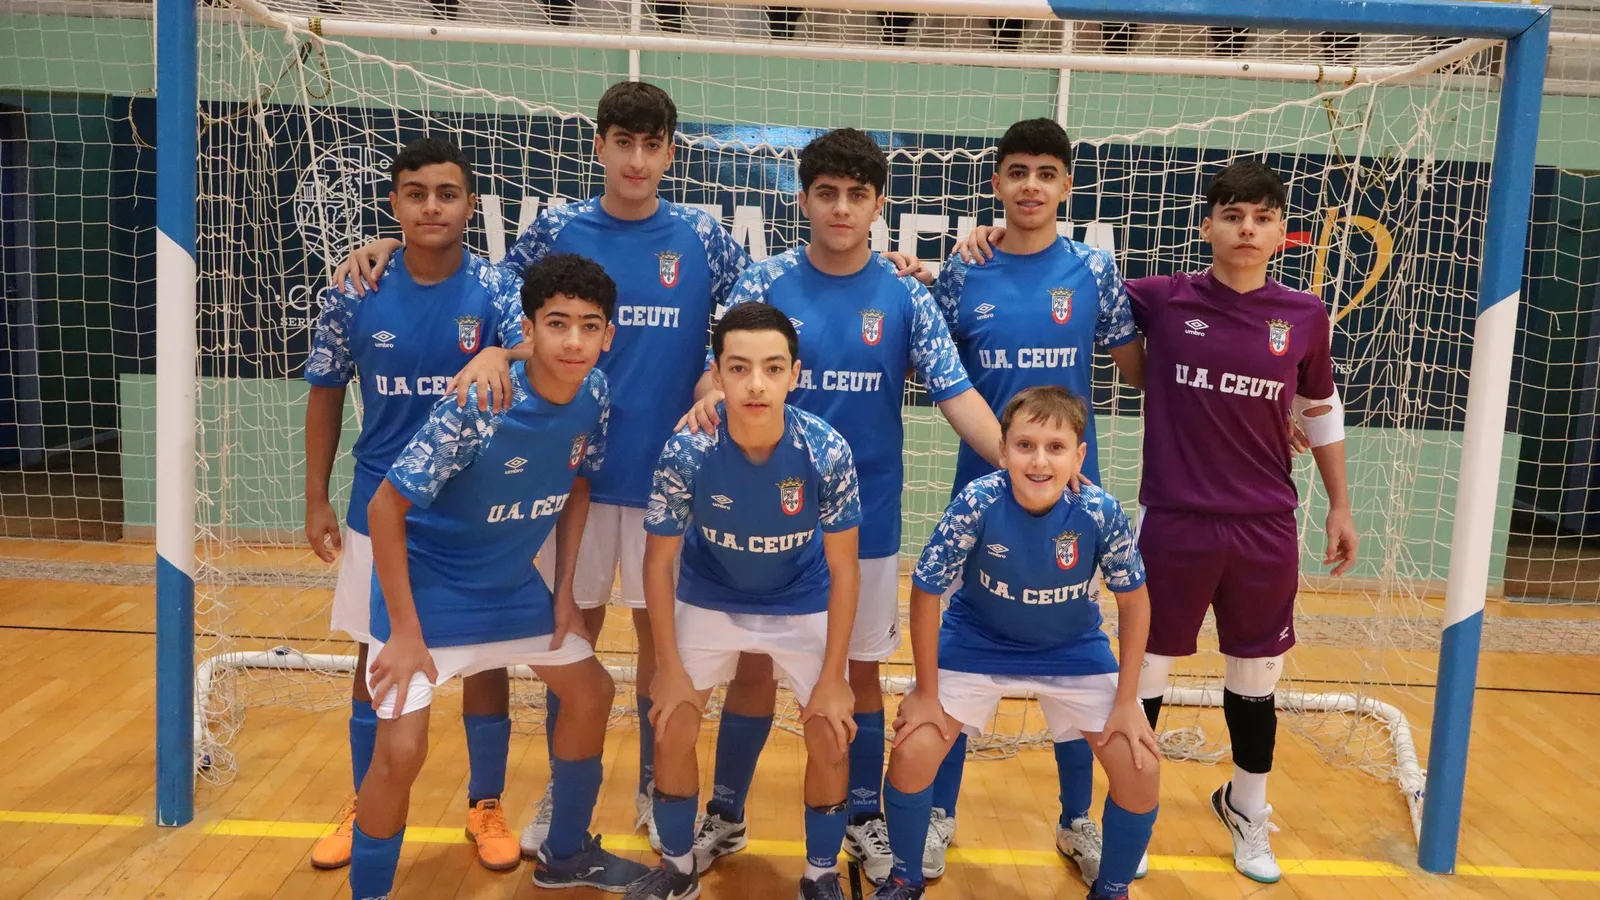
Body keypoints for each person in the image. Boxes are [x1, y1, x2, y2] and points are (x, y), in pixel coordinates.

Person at [334, 83, 924, 854]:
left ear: (670, 153)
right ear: (600, 146)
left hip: (668, 486)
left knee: (658, 646)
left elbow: (761, 309)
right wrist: (407, 267)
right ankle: (560, 796)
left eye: (652, 145)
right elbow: (501, 294)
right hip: (568, 482)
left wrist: (889, 265)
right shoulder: (556, 228)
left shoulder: (703, 237)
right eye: (623, 142)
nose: (637, 160)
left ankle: (653, 785)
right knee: (569, 635)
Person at [680, 127, 1003, 884]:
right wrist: (706, 400)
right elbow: (712, 377)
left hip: (867, 522)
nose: (841, 208)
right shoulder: (764, 281)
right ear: (803, 199)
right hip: (763, 521)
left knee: (857, 675)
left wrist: (1023, 467)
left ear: (879, 204)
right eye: (827, 193)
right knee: (753, 668)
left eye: (857, 195)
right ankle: (726, 812)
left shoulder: (905, 295)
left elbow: (958, 395)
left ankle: (862, 817)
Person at [349, 253, 650, 899]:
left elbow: (577, 485)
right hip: (429, 597)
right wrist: (404, 631)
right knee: (400, 754)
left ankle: (565, 855)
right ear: (529, 329)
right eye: (557, 324)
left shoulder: (595, 393)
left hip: (513, 589)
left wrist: (564, 594)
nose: (573, 341)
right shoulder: (479, 402)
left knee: (592, 691)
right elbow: (383, 509)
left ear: (608, 336)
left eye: (589, 326)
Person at [923, 117, 1144, 883]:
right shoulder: (965, 271)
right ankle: (937, 816)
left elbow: (1143, 369)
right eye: (1017, 171)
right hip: (978, 497)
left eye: (1046, 173)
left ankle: (1078, 820)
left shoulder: (1094, 270)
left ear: (1066, 186)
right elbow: (920, 354)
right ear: (996, 183)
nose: (1030, 186)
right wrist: (915, 272)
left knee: (1072, 662)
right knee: (959, 662)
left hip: (1073, 504)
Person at [1128, 160, 1358, 884]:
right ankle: (1132, 814)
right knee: (1146, 671)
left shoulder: (1305, 315)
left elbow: (1318, 409)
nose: (1246, 229)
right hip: (1174, 520)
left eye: (1262, 217)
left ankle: (1247, 809)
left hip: (1264, 525)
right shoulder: (1163, 299)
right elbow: (1063, 279)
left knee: (1256, 677)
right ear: (1208, 227)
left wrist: (1340, 504)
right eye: (1232, 216)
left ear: (1281, 232)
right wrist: (985, 241)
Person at [303, 136, 527, 872]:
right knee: (376, 654)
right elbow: (326, 391)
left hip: (473, 510)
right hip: (381, 504)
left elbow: (545, 346)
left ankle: (486, 802)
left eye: (448, 193)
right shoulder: (355, 290)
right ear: (395, 202)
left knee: (483, 657)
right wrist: (315, 497)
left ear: (470, 204)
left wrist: (502, 352)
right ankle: (365, 798)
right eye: (417, 193)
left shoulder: (497, 288)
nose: (433, 206)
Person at [874, 385, 1159, 900]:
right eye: (1025, 445)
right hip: (978, 641)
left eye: (1056, 447)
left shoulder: (1100, 511)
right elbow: (926, 589)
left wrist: (1126, 703)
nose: (1039, 460)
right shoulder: (978, 501)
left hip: (1073, 649)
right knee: (913, 749)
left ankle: (1112, 890)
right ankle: (904, 879)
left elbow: (1135, 603)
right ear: (1003, 451)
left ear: (1079, 456)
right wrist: (926, 692)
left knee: (1141, 767)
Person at [624, 303, 863, 900]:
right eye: (739, 368)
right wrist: (668, 668)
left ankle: (819, 875)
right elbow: (656, 563)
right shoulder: (687, 449)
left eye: (772, 368)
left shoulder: (826, 449)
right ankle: (677, 868)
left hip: (800, 598)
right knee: (672, 724)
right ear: (717, 373)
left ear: (794, 375)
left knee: (831, 731)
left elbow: (844, 568)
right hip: (711, 596)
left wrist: (835, 675)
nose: (756, 384)